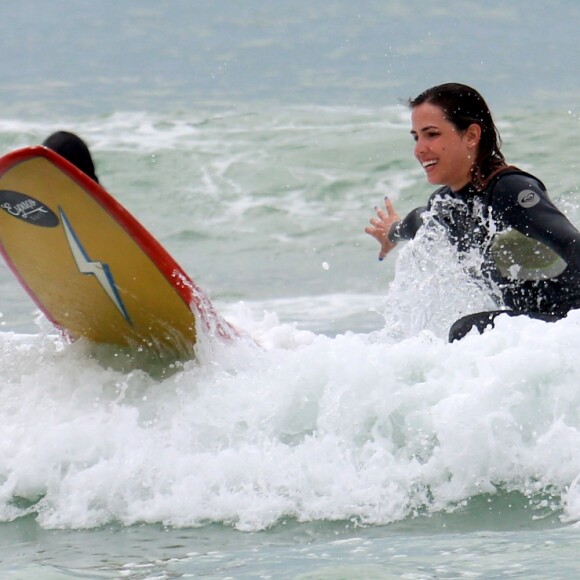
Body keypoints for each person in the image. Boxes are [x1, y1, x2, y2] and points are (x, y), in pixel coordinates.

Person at [365, 82, 580, 342]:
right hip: (536, 331)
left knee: (465, 331)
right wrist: (391, 233)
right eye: (416, 137)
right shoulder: (446, 205)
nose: (419, 149)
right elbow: (417, 222)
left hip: (568, 324)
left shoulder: (509, 189)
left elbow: (572, 243)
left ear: (471, 136)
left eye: (431, 134)